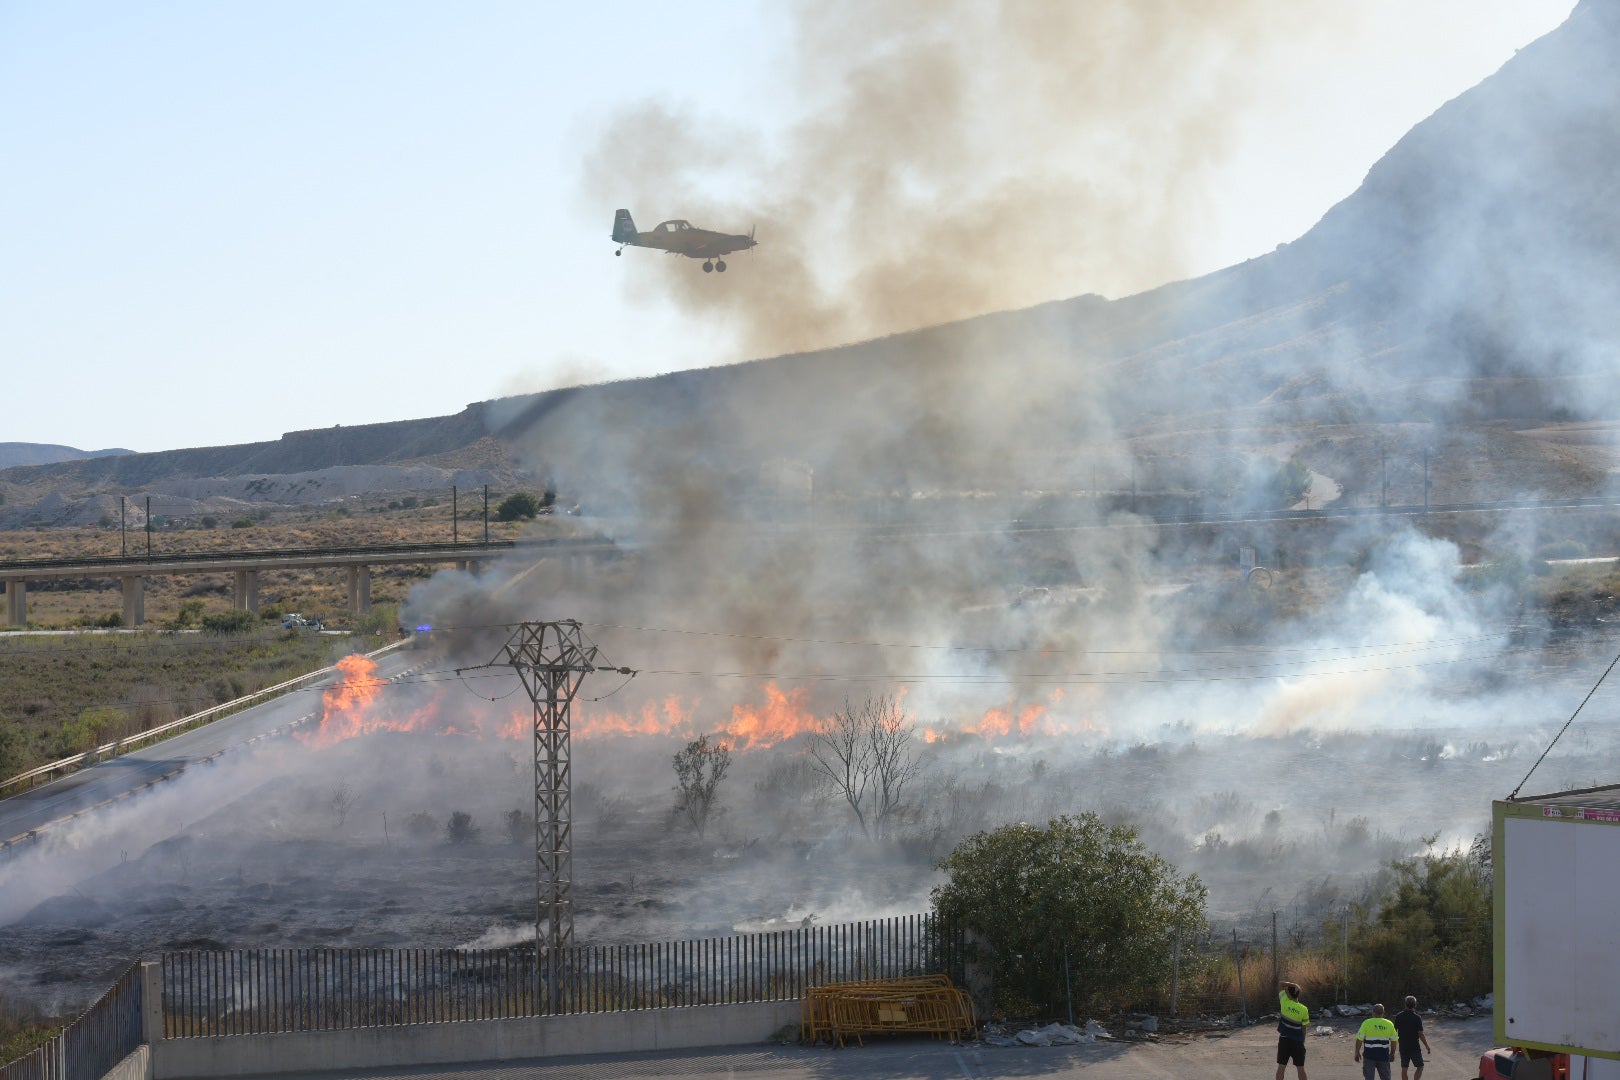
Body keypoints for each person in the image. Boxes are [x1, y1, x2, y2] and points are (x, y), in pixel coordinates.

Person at [1276, 981, 1312, 1080]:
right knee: (1300, 1068)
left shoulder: (1284, 1002)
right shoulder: (1304, 1009)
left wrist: (1294, 985)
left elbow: (1280, 984)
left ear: (1288, 993)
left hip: (1284, 1040)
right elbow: (1304, 1028)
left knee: (1281, 1067)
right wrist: (1302, 1041)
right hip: (1297, 1041)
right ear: (1298, 994)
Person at [1355, 1003, 1399, 1080]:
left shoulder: (1366, 1023)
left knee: (1369, 1078)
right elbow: (1394, 1041)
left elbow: (1359, 1039)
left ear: (1373, 1012)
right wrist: (1392, 1053)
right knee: (1386, 1078)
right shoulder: (1389, 1024)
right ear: (1383, 1013)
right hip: (1384, 1056)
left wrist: (1357, 1052)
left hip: (1369, 1056)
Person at [1392, 996, 1431, 1080]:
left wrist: (1393, 1047)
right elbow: (1421, 1034)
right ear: (1415, 1005)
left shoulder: (1399, 1016)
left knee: (1404, 1068)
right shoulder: (1417, 1018)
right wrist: (1427, 1046)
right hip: (1414, 1047)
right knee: (1420, 1066)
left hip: (1403, 1046)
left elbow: (1394, 1032)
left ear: (1405, 1004)